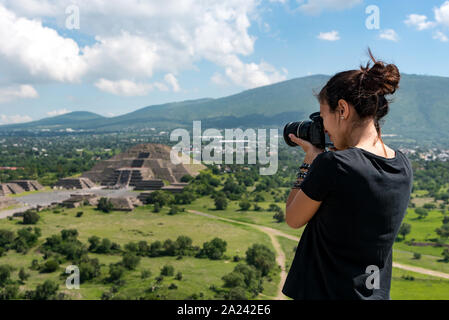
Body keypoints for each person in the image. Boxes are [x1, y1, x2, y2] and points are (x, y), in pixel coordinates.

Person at [282, 50, 413, 300]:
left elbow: (293, 217)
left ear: (342, 109)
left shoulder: (334, 164)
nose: (325, 128)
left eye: (323, 118)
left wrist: (310, 159)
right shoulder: (402, 165)